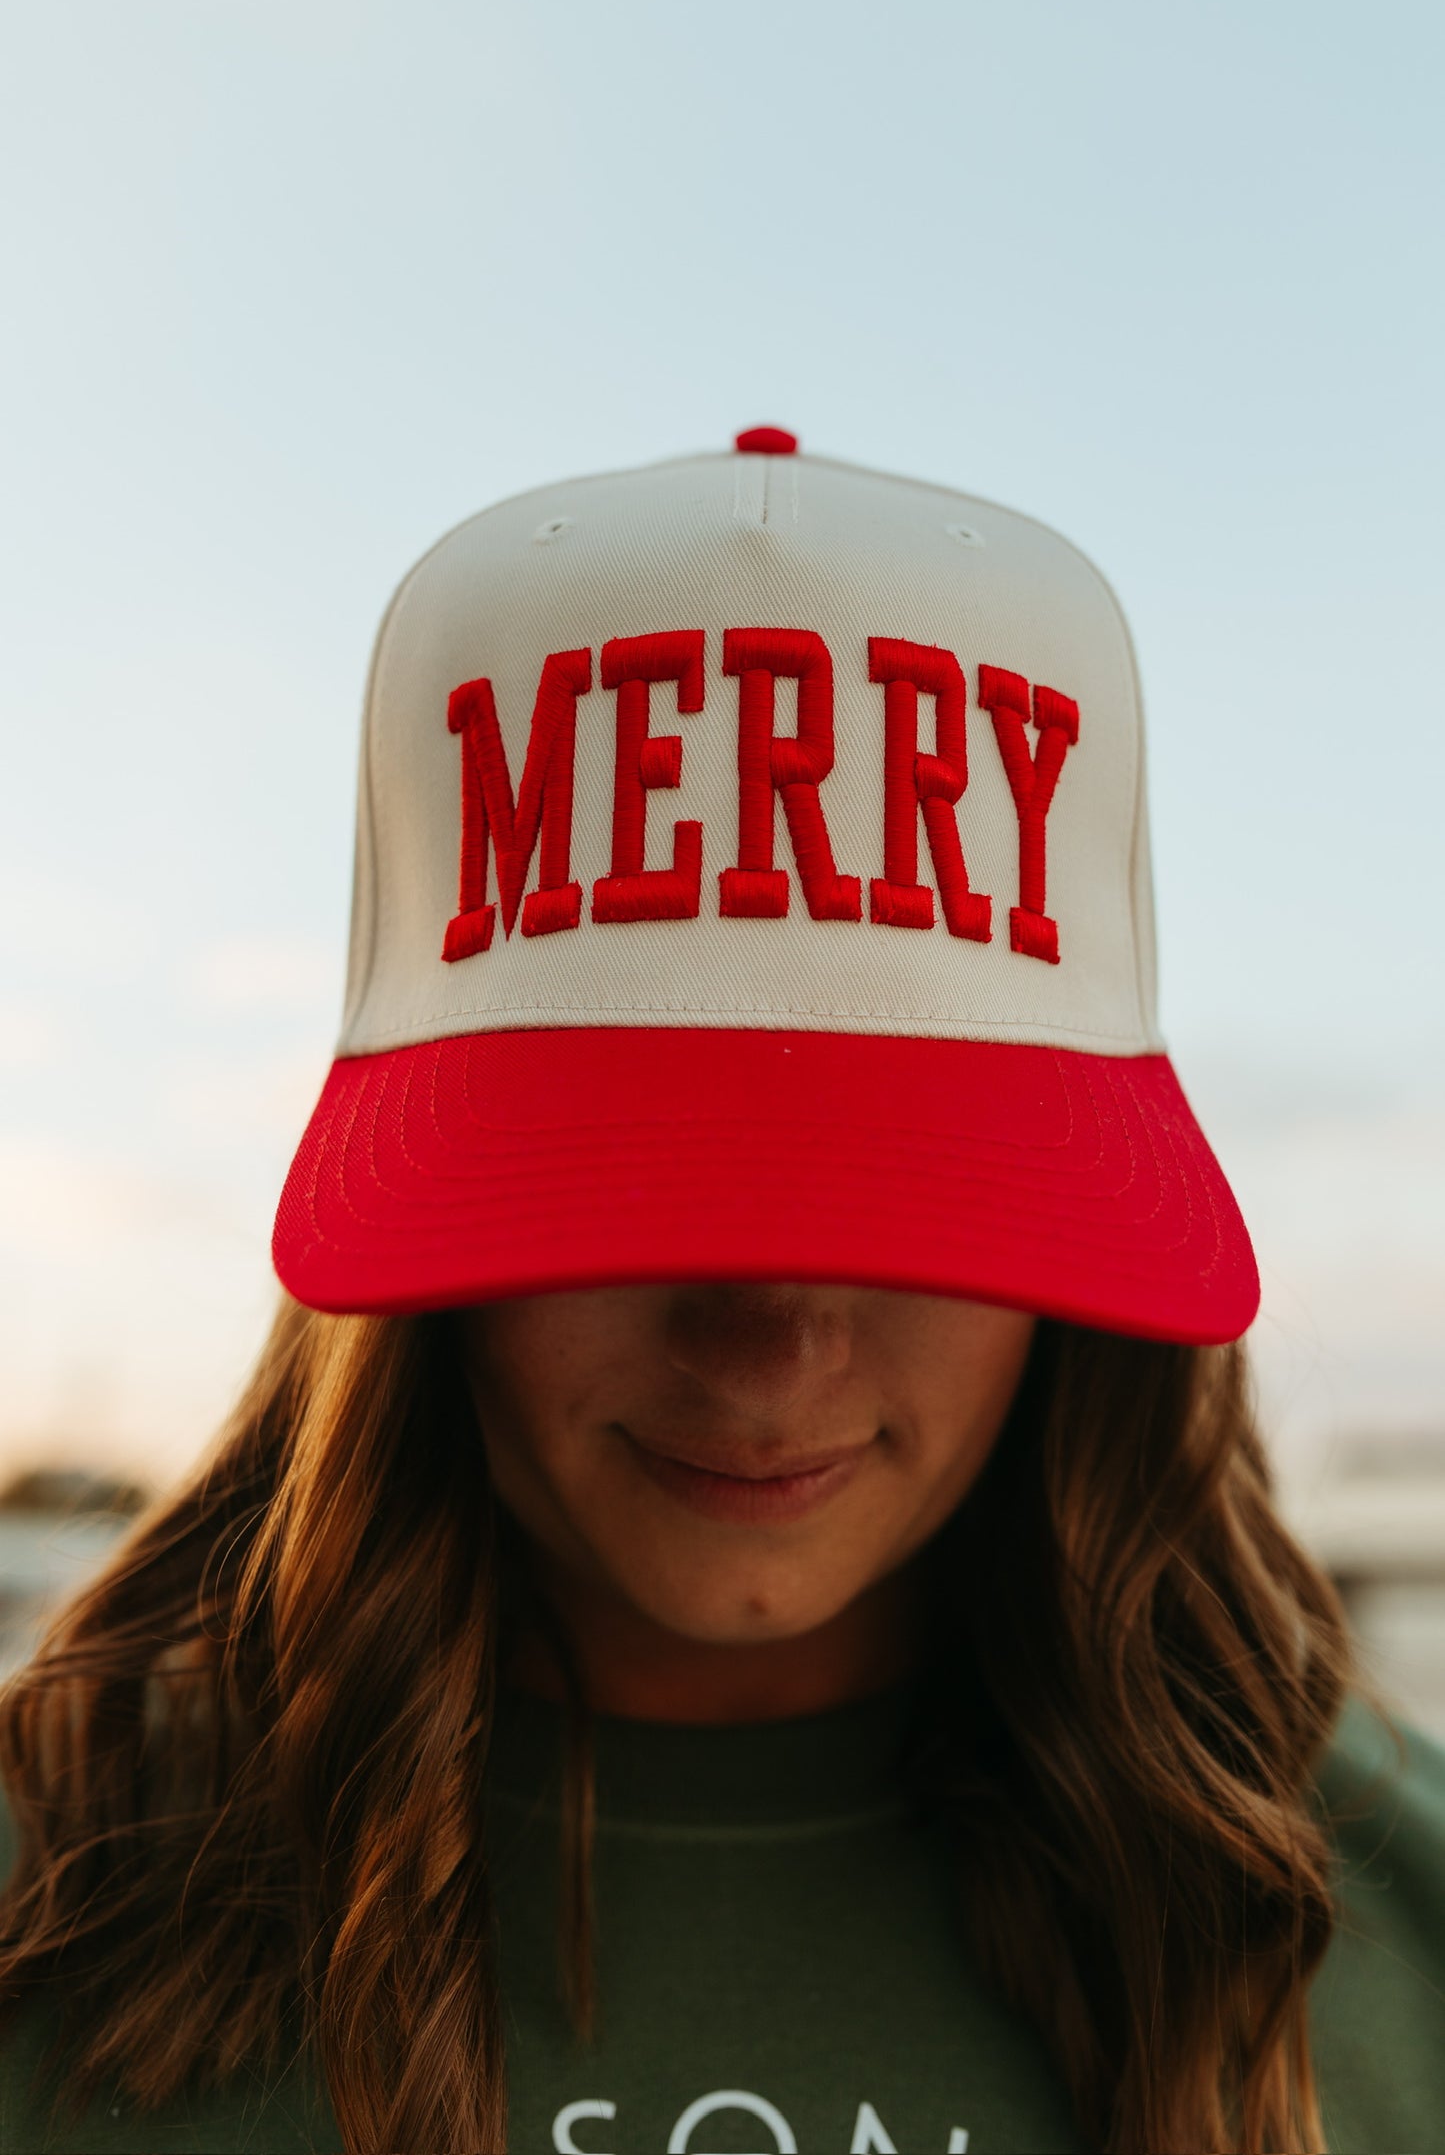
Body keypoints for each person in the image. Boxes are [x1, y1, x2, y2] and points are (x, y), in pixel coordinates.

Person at [1, 427, 1441, 2155]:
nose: (771, 1347)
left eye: (925, 1202)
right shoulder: (48, 1899)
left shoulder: (1397, 1939)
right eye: (622, 1189)